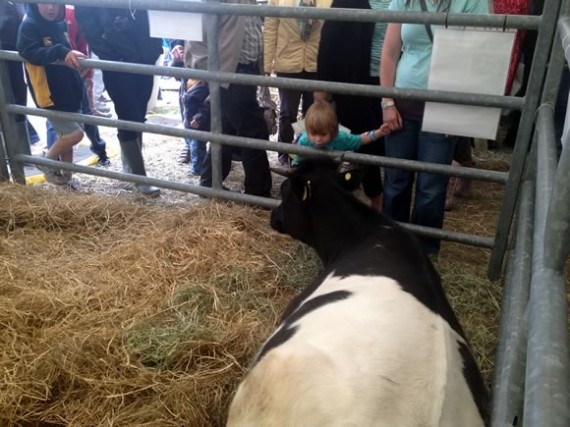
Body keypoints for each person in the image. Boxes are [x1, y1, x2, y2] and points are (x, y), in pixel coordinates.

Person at [380, 0, 490, 255]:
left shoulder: (472, 2)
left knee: (432, 184)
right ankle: (391, 245)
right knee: (396, 179)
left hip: (445, 104)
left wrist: (457, 109)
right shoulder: (403, 1)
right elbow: (390, 52)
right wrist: (387, 102)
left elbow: (478, 56)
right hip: (403, 102)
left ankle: (424, 250)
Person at [185, 0, 272, 197]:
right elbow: (196, 36)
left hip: (245, 71)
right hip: (230, 72)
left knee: (226, 129)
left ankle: (209, 183)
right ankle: (257, 193)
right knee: (254, 132)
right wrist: (208, 69)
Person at [75, 6, 162, 197]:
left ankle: (129, 169)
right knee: (128, 115)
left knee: (139, 113)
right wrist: (113, 55)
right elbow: (89, 23)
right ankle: (140, 179)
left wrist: (153, 51)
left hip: (144, 59)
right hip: (118, 65)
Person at [316, 0, 390, 211]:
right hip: (353, 83)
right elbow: (328, 40)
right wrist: (320, 88)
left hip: (391, 83)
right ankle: (373, 202)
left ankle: (373, 201)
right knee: (361, 142)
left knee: (381, 143)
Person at [17, 2, 85, 186]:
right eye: (44, 2)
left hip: (69, 88)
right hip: (50, 93)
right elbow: (29, 52)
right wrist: (60, 51)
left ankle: (66, 179)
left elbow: (67, 49)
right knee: (75, 135)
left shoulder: (60, 23)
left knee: (67, 136)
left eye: (55, 3)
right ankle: (45, 161)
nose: (50, 8)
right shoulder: (29, 25)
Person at [263, 0, 332, 166]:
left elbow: (332, 29)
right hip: (287, 62)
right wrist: (266, 64)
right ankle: (285, 152)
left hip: (315, 63)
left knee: (312, 113)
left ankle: (306, 152)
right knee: (287, 112)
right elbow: (271, 29)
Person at [46, 5, 111, 168]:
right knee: (56, 122)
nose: (49, 6)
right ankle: (53, 163)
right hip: (54, 79)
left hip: (76, 72)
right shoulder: (38, 20)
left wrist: (86, 72)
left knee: (86, 114)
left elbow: (83, 43)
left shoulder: (71, 14)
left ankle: (100, 152)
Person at [291, 101, 391, 174]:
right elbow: (297, 161)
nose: (318, 139)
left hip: (330, 174)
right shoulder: (304, 140)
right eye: (314, 134)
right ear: (308, 131)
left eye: (323, 134)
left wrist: (379, 132)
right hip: (308, 172)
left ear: (333, 131)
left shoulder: (340, 138)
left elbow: (360, 139)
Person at [1, 1, 40, 151]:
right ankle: (17, 151)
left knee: (18, 92)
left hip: (18, 43)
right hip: (6, 44)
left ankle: (23, 149)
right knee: (8, 94)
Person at [182, 79, 209, 176]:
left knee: (197, 145)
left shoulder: (206, 86)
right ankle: (198, 167)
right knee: (193, 144)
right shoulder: (193, 83)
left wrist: (199, 118)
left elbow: (208, 103)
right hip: (190, 120)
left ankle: (198, 168)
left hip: (197, 122)